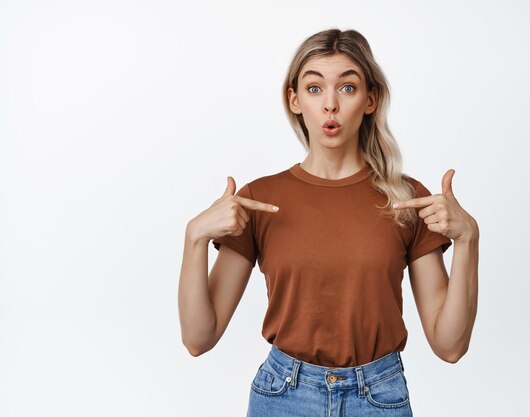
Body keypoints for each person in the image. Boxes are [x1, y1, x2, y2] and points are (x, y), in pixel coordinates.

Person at [178, 27, 479, 417]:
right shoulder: (259, 200)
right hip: (283, 396)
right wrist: (193, 238)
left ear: (371, 100)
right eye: (315, 88)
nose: (331, 105)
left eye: (348, 88)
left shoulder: (407, 199)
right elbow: (198, 338)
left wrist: (468, 240)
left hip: (378, 398)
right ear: (295, 100)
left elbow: (450, 345)